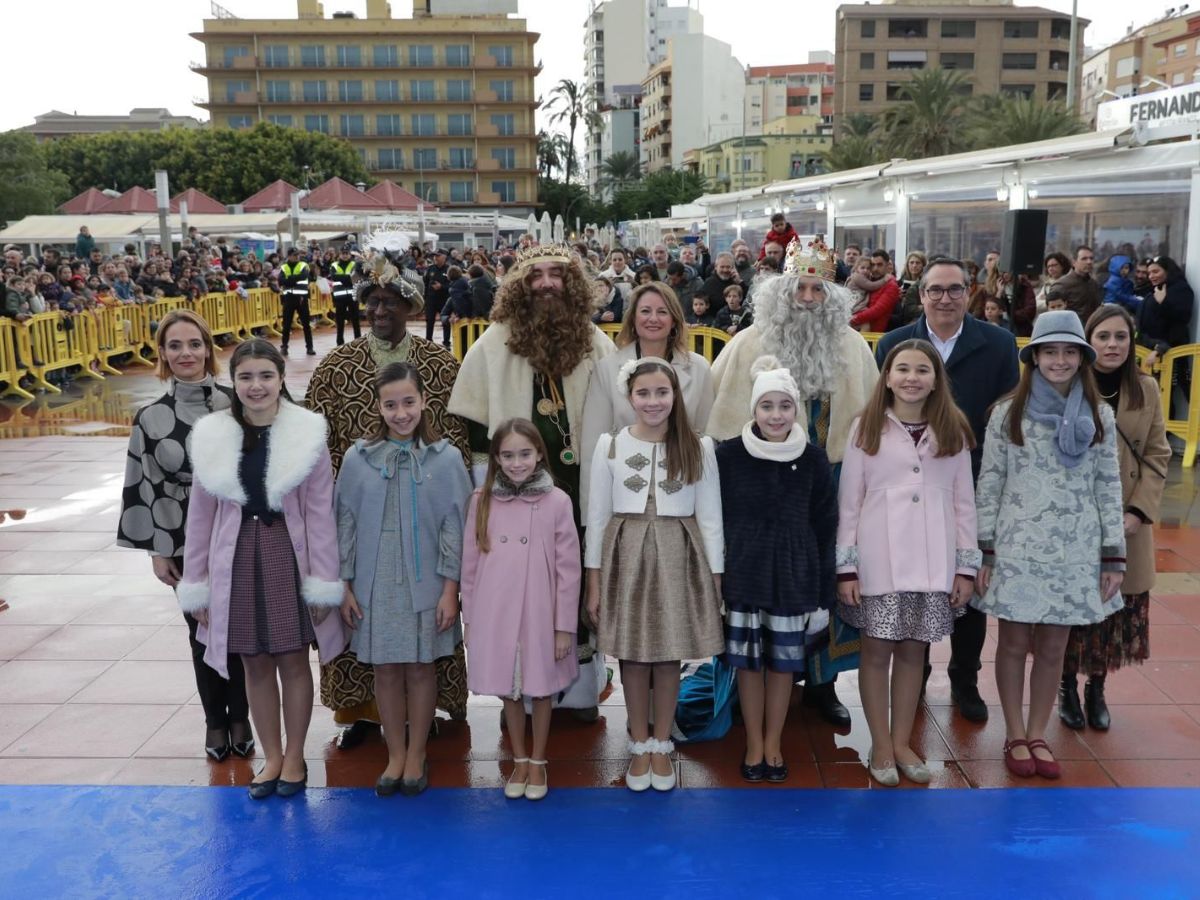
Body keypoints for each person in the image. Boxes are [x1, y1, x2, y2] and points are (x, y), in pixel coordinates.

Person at [709, 238, 879, 727]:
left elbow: (869, 422)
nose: (808, 299)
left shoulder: (852, 345)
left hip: (832, 484)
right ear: (782, 291)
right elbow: (720, 423)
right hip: (762, 491)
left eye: (817, 290)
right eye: (799, 289)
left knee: (825, 583)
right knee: (759, 589)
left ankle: (822, 687)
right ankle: (750, 683)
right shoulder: (748, 343)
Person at [306, 254, 471, 751]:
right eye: (373, 301)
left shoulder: (441, 366)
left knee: (424, 641)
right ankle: (363, 714)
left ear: (412, 307)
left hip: (423, 517)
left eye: (391, 302)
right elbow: (314, 442)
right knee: (366, 627)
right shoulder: (335, 366)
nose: (381, 310)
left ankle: (422, 727)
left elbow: (458, 439)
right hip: (359, 516)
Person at [449, 243, 616, 718]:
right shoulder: (492, 343)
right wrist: (490, 497)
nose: (546, 283)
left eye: (556, 274)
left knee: (576, 583)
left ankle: (581, 687)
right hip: (514, 495)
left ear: (572, 283)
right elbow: (479, 430)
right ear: (520, 285)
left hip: (579, 495)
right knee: (522, 591)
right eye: (536, 275)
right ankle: (519, 687)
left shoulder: (593, 341)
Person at [180, 339, 347, 799]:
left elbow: (320, 515)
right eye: (246, 377)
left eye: (266, 376)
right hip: (233, 558)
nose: (256, 386)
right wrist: (196, 585)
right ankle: (271, 757)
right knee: (253, 662)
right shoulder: (213, 434)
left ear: (281, 379)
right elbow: (200, 518)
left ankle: (295, 756)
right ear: (233, 381)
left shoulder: (308, 433)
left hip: (288, 556)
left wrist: (322, 583)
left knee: (293, 658)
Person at [973, 311, 1125, 780]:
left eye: (1069, 351)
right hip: (1017, 547)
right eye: (1050, 351)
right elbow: (990, 483)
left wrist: (1112, 554)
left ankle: (1039, 732)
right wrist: (984, 549)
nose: (1059, 360)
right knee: (1014, 642)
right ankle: (1014, 732)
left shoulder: (1099, 415)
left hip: (1075, 549)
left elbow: (1108, 485)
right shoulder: (1007, 413)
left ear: (1081, 358)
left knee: (1055, 647)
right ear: (1034, 357)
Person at [877, 258, 1019, 723]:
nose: (945, 298)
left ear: (968, 292)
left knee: (968, 586)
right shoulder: (894, 344)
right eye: (935, 290)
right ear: (921, 295)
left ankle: (964, 678)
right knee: (911, 582)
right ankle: (912, 679)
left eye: (954, 289)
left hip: (972, 484)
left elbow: (1005, 418)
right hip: (906, 487)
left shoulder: (997, 344)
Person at [837, 340, 979, 786]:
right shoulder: (867, 427)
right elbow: (849, 504)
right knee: (877, 652)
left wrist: (965, 567)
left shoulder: (953, 428)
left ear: (937, 379)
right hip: (879, 562)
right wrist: (846, 566)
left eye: (922, 369)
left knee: (915, 651)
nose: (912, 378)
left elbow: (964, 504)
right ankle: (880, 742)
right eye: (902, 369)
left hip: (933, 563)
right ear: (887, 376)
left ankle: (902, 741)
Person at [116, 309, 252, 763]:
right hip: (181, 537)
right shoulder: (150, 417)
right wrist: (157, 550)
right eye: (175, 346)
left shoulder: (237, 404)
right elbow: (143, 484)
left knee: (240, 630)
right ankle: (216, 720)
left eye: (194, 344)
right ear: (162, 355)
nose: (186, 353)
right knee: (202, 631)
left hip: (238, 531)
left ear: (208, 350)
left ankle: (242, 717)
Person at [585, 358, 724, 792]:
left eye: (661, 392)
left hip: (677, 554)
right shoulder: (610, 445)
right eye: (643, 393)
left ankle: (661, 742)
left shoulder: (698, 446)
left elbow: (711, 517)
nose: (653, 401)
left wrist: (715, 578)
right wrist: (594, 581)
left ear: (675, 395)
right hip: (626, 554)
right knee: (632, 654)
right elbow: (597, 516)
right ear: (629, 397)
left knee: (668, 652)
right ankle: (638, 737)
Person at [336, 363, 472, 796]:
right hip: (375, 580)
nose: (400, 413)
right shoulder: (359, 459)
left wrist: (451, 588)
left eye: (408, 402)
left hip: (426, 580)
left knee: (419, 666)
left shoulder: (445, 459)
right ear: (378, 406)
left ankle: (417, 752)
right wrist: (345, 584)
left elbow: (456, 525)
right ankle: (394, 751)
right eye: (391, 404)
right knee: (387, 668)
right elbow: (345, 523)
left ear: (424, 402)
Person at [717, 356, 836, 783]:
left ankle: (774, 742)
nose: (776, 415)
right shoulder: (728, 455)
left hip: (793, 575)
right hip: (745, 574)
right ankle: (753, 741)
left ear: (796, 410)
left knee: (784, 665)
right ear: (753, 409)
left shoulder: (814, 459)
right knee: (748, 665)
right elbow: (715, 523)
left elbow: (826, 528)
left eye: (784, 406)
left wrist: (824, 596)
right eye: (766, 406)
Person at [1059, 306, 1170, 732]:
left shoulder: (1145, 388)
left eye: (1120, 337)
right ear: (1088, 340)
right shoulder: (1068, 384)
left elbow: (1158, 452)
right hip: (1075, 519)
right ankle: (1066, 685)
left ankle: (1096, 687)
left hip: (1126, 520)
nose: (1112, 345)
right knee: (1071, 607)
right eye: (1103, 336)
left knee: (1112, 610)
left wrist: (1139, 511)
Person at [461, 419, 580, 801]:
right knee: (509, 691)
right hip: (496, 610)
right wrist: (471, 619)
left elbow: (568, 570)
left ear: (539, 454)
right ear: (496, 457)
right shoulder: (482, 501)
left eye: (525, 454)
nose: (516, 463)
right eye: (508, 455)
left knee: (541, 686)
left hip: (538, 610)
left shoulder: (557, 502)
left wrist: (564, 627)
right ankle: (519, 757)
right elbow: (471, 565)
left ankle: (539, 760)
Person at [580, 282, 714, 515]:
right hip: (625, 495)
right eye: (645, 311)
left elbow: (706, 439)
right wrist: (591, 515)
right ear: (632, 318)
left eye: (662, 312)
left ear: (674, 319)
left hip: (681, 496)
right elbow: (594, 445)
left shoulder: (699, 369)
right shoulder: (608, 368)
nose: (654, 318)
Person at [1138, 255, 1195, 370]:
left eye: (1156, 272)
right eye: (1149, 273)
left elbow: (1182, 319)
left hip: (1168, 351)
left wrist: (1163, 302)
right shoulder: (1157, 288)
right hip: (1150, 348)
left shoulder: (1181, 289)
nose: (1151, 276)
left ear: (1168, 271)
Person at [850, 250, 900, 333]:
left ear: (888, 266)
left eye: (879, 265)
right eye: (873, 265)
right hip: (858, 329)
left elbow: (876, 311)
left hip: (872, 336)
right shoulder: (869, 280)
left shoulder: (891, 285)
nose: (875, 268)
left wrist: (851, 319)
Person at [279, 247, 315, 356]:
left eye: (297, 255)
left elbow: (304, 276)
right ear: (289, 256)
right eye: (294, 255)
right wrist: (295, 279)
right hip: (289, 298)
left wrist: (289, 280)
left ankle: (309, 347)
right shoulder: (284, 267)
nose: (296, 257)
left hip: (301, 298)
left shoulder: (303, 265)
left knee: (306, 324)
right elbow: (281, 281)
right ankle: (284, 346)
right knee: (286, 324)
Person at [1056, 246, 1103, 326]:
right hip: (1071, 332)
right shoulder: (1062, 285)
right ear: (1074, 262)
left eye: (1091, 258)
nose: (1089, 262)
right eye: (1084, 259)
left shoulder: (1094, 284)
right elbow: (1054, 314)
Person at [328, 245, 360, 346]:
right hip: (339, 298)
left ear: (349, 254)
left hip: (352, 296)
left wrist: (342, 278)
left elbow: (355, 278)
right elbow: (334, 277)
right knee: (340, 322)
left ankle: (358, 341)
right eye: (343, 253)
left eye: (347, 253)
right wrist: (348, 279)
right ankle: (340, 343)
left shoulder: (354, 264)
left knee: (355, 320)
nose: (345, 255)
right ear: (340, 254)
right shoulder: (334, 265)